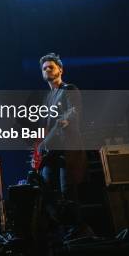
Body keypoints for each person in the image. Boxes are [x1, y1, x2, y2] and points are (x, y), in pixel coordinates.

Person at [36, 53, 90, 241]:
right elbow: (46, 126)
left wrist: (66, 120)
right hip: (51, 152)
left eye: (51, 67)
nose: (47, 70)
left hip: (68, 149)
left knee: (68, 191)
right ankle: (58, 231)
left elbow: (72, 114)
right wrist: (40, 144)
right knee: (47, 191)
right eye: (44, 68)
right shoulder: (47, 98)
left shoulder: (69, 89)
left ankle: (78, 230)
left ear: (60, 70)